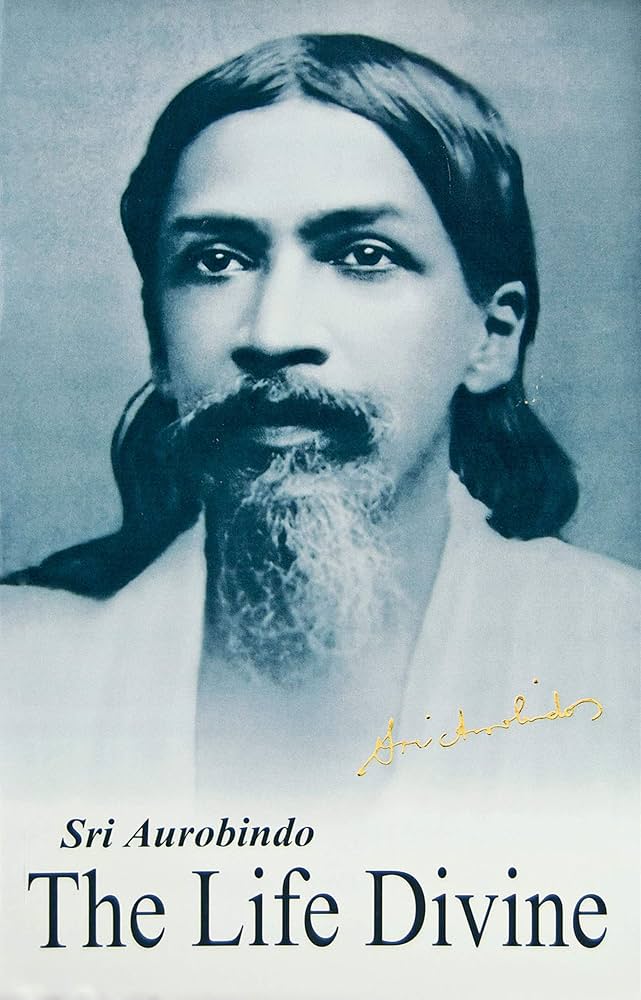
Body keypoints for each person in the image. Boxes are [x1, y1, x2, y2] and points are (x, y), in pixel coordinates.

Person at [1, 34, 638, 797]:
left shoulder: (618, 660)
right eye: (216, 261)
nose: (273, 334)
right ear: (158, 342)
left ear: (490, 337)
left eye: (364, 255)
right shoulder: (21, 672)